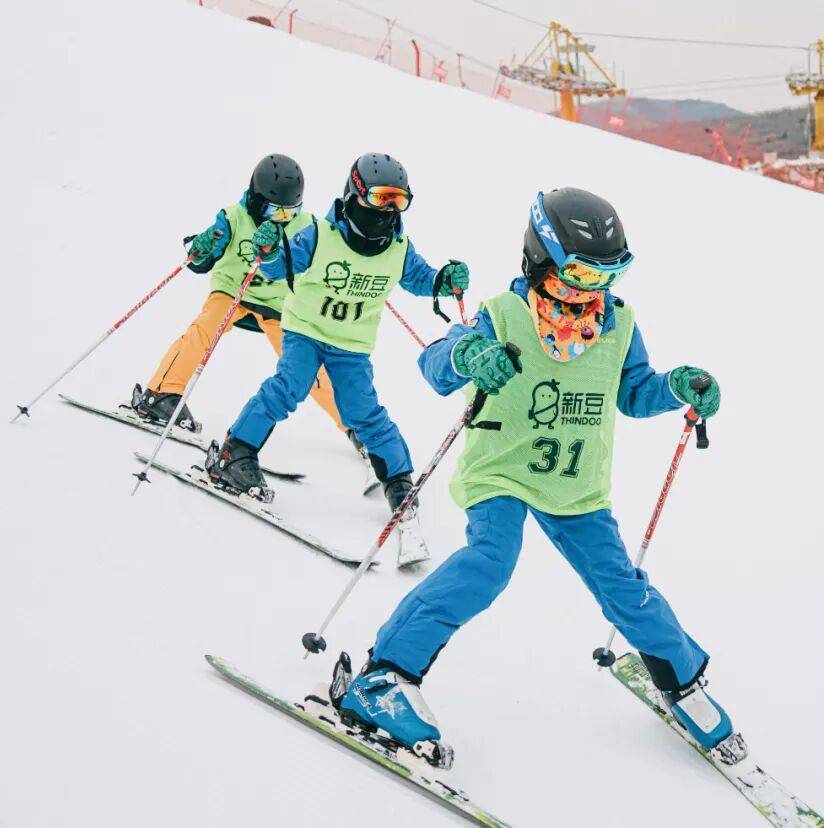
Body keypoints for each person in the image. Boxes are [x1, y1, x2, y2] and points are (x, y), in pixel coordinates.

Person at [337, 187, 733, 767]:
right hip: (503, 473)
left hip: (577, 487)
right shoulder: (502, 313)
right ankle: (385, 678)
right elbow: (436, 362)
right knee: (488, 565)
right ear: (541, 256)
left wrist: (674, 387)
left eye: (606, 275)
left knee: (623, 586)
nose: (589, 290)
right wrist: (468, 358)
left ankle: (682, 679)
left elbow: (633, 389)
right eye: (577, 272)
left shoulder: (618, 324)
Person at [205, 152, 470, 515]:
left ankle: (398, 480)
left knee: (363, 412)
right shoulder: (319, 236)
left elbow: (420, 279)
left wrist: (443, 281)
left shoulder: (398, 248)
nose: (389, 210)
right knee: (289, 387)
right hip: (306, 331)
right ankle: (236, 453)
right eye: (381, 198)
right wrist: (265, 250)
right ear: (357, 194)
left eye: (399, 200)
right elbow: (277, 266)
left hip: (351, 346)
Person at [134, 154, 348, 443]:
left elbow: (325, 252)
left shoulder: (307, 225)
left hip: (277, 303)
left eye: (290, 212)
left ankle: (354, 427)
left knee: (306, 362)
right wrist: (203, 247)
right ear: (258, 199)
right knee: (204, 329)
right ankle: (162, 394)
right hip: (232, 290)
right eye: (275, 210)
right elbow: (200, 260)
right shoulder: (234, 217)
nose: (282, 218)